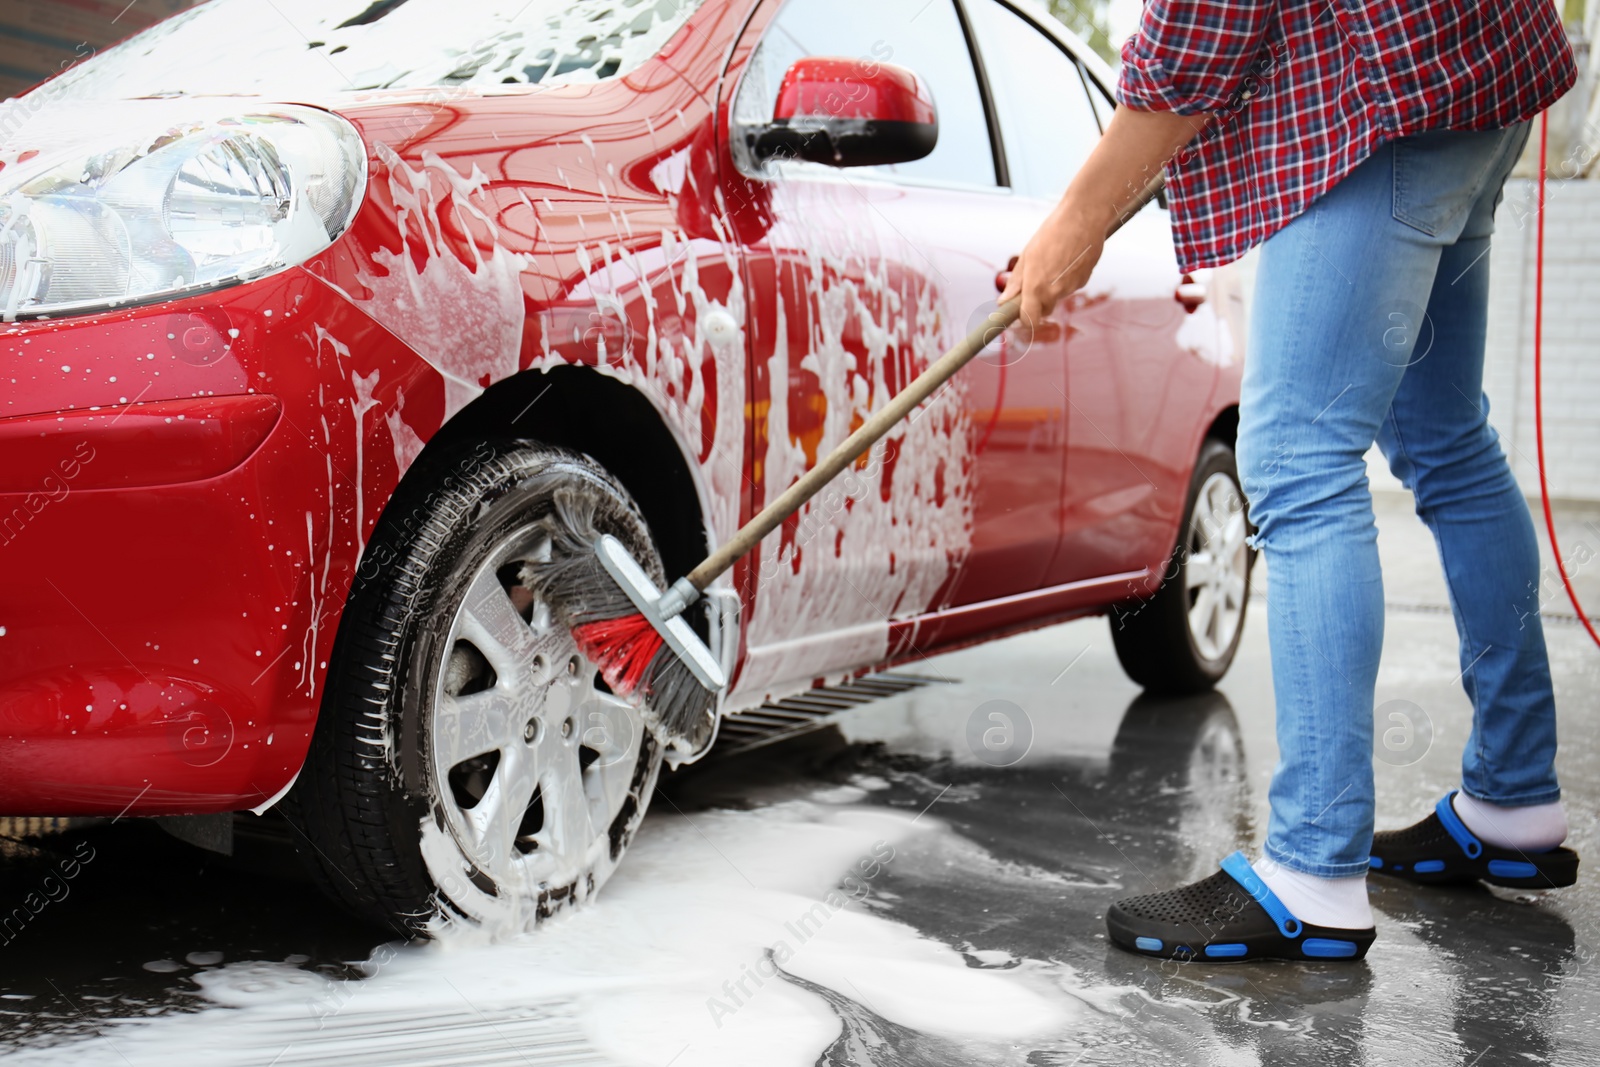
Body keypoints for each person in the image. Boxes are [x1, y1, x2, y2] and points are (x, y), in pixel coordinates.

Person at [1001, 0, 1580, 963]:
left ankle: (1314, 869)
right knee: (1445, 436)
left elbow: (1197, 36)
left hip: (1387, 99)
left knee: (1301, 460)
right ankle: (1513, 794)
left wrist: (1077, 221)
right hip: (1474, 71)